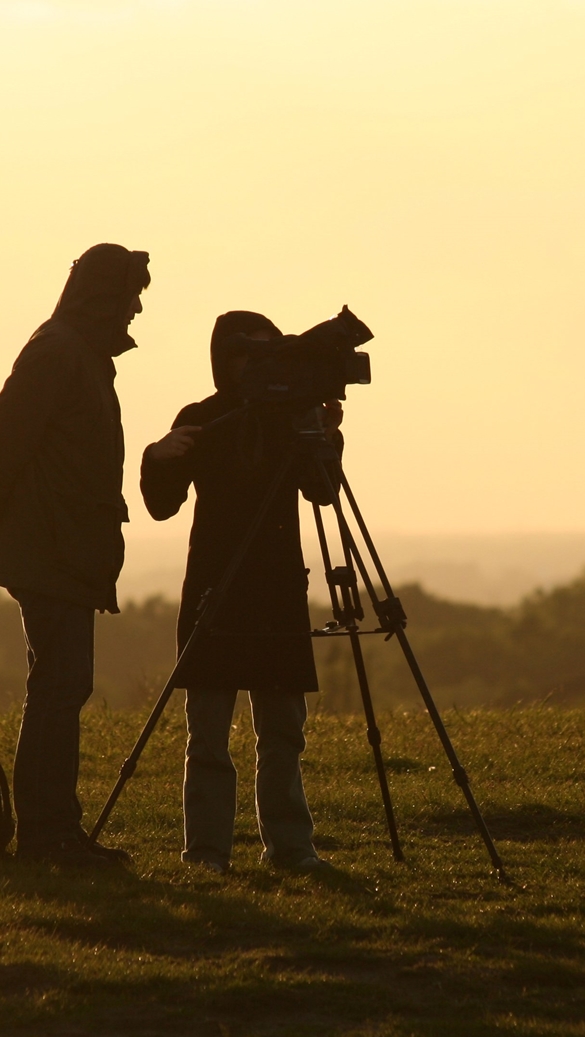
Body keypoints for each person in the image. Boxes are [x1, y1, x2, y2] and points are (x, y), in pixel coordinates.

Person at [140, 311, 342, 874]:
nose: (256, 363)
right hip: (215, 588)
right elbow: (162, 504)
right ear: (222, 359)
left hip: (277, 590)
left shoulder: (291, 417)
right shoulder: (204, 418)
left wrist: (326, 438)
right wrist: (158, 457)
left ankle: (292, 850)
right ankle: (206, 855)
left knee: (283, 733)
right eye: (244, 352)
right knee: (207, 736)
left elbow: (323, 493)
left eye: (268, 352)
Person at [0, 243, 151, 866]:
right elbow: (7, 447)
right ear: (102, 296)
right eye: (130, 296)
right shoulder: (58, 354)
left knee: (63, 686)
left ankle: (53, 828)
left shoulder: (74, 354)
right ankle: (47, 833)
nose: (137, 309)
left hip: (63, 549)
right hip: (50, 550)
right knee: (60, 687)